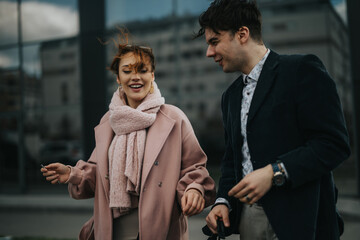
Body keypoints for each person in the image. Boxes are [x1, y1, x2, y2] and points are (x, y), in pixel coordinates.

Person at [195, 0, 351, 239]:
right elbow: (231, 161)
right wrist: (223, 201)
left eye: (214, 42)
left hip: (302, 220)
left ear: (243, 34)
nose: (209, 52)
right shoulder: (230, 96)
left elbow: (333, 144)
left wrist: (275, 172)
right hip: (249, 220)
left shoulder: (301, 70)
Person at [41, 32, 216, 240]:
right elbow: (99, 175)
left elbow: (195, 167)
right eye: (127, 71)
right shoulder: (109, 121)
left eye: (142, 70)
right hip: (113, 231)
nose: (135, 77)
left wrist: (194, 189)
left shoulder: (173, 118)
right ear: (118, 78)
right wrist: (72, 174)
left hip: (161, 229)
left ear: (152, 76)